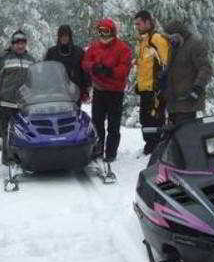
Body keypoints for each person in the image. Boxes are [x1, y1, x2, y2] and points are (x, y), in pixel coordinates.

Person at [82, 18, 132, 163]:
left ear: (112, 32)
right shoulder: (95, 47)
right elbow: (85, 62)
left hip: (115, 91)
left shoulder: (122, 48)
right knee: (97, 123)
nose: (103, 35)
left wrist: (110, 71)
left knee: (113, 124)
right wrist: (94, 66)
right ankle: (97, 149)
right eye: (101, 31)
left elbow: (125, 68)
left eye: (106, 31)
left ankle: (111, 152)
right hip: (99, 90)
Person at [133, 10, 171, 154]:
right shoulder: (142, 41)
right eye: (135, 24)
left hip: (156, 90)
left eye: (139, 23)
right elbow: (144, 66)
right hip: (145, 89)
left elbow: (167, 62)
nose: (137, 26)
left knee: (155, 119)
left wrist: (161, 83)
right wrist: (139, 85)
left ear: (148, 22)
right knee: (145, 119)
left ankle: (156, 148)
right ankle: (150, 146)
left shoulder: (156, 39)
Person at [161, 20, 213, 125]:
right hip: (173, 102)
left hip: (187, 102)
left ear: (178, 35)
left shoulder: (195, 45)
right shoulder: (174, 47)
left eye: (172, 38)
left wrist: (197, 88)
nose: (170, 41)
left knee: (186, 135)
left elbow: (205, 68)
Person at [0, 29, 36, 163]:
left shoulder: (31, 60)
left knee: (24, 130)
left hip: (24, 102)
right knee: (8, 130)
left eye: (23, 43)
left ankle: (24, 156)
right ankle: (8, 158)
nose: (20, 46)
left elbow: (34, 80)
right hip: (7, 101)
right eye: (17, 43)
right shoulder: (4, 58)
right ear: (12, 44)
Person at [44, 24, 90, 104]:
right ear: (59, 37)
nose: (64, 38)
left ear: (70, 36)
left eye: (66, 35)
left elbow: (85, 72)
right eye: (61, 35)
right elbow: (46, 72)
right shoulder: (52, 53)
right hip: (56, 93)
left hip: (75, 93)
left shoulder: (79, 52)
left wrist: (85, 91)